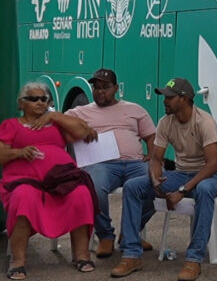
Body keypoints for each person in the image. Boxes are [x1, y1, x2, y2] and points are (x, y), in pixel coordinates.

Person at [110, 77, 217, 281]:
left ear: (184, 98)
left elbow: (212, 164)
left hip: (207, 176)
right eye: (164, 96)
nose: (164, 100)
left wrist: (182, 191)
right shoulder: (165, 122)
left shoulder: (204, 122)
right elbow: (156, 158)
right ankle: (131, 254)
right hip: (180, 174)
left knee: (205, 190)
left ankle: (194, 259)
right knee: (133, 186)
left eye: (169, 97)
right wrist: (154, 178)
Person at [0, 83, 98, 280]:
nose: (39, 103)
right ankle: (18, 261)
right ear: (21, 103)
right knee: (23, 196)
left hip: (60, 179)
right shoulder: (11, 125)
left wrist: (54, 115)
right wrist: (18, 152)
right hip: (25, 181)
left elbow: (81, 132)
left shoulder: (56, 123)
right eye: (33, 99)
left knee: (80, 193)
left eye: (44, 99)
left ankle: (81, 255)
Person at [66, 68, 157, 258]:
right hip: (101, 164)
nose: (100, 91)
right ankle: (105, 235)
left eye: (105, 87)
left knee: (155, 183)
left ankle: (130, 233)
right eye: (96, 87)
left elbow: (151, 136)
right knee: (94, 188)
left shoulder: (134, 109)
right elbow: (58, 119)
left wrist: (152, 155)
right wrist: (80, 126)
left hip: (134, 163)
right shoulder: (81, 112)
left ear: (115, 88)